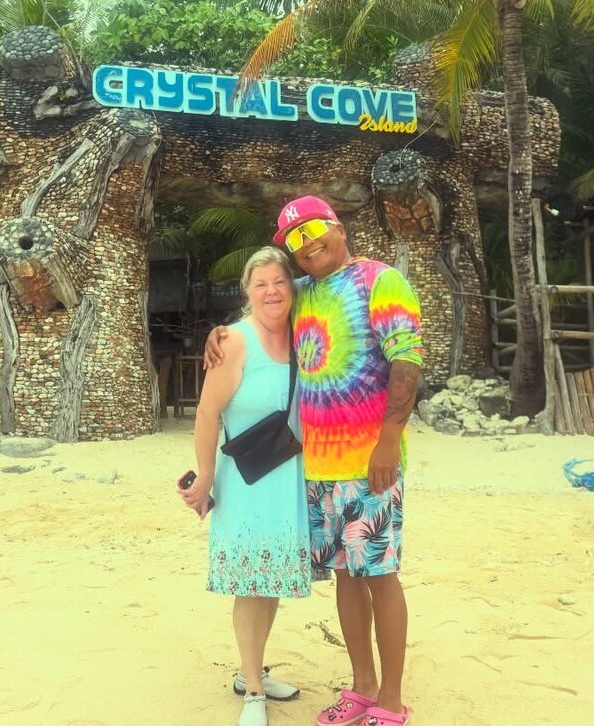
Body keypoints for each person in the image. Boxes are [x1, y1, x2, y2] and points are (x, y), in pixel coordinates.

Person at [206, 196, 423, 726]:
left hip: (369, 464)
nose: (306, 246)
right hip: (317, 468)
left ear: (338, 228)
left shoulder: (380, 280)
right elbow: (266, 300)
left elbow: (407, 362)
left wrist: (389, 442)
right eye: (294, 241)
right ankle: (362, 687)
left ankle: (391, 700)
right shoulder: (303, 291)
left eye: (312, 231)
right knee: (347, 579)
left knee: (381, 576)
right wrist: (222, 333)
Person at [179, 246, 311, 726]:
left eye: (279, 281)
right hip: (246, 478)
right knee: (251, 583)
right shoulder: (233, 341)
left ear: (292, 287)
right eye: (261, 284)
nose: (272, 292)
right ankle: (253, 690)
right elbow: (206, 413)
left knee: (271, 580)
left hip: (288, 475)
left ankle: (250, 670)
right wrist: (205, 475)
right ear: (247, 292)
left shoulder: (303, 335)